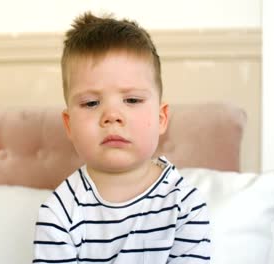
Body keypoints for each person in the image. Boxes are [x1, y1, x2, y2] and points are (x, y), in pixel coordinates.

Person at [33, 12, 210, 263]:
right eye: (92, 103)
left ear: (161, 118)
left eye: (132, 100)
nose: (112, 115)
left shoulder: (184, 204)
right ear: (69, 125)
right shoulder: (60, 212)